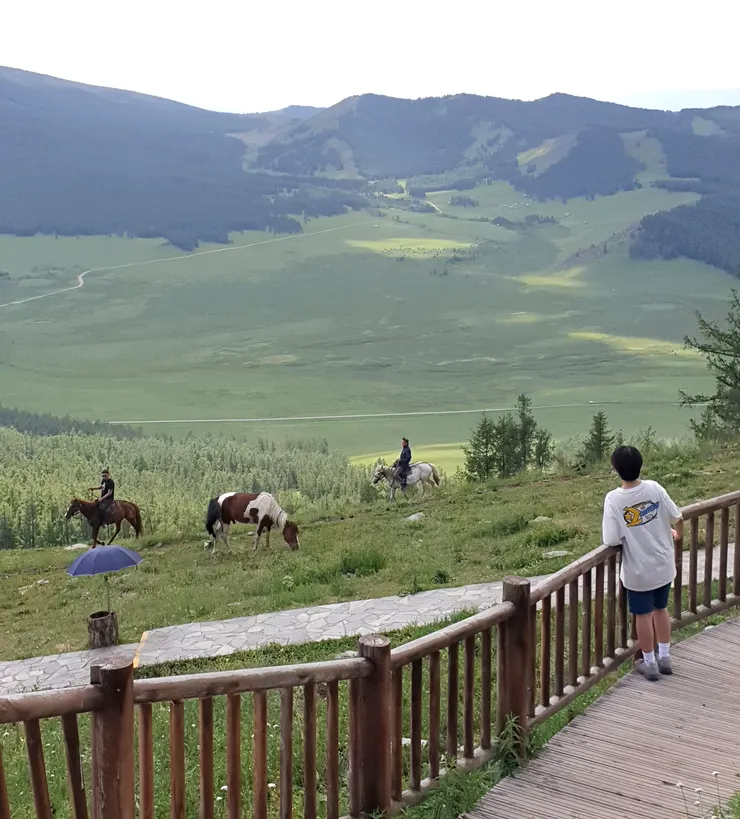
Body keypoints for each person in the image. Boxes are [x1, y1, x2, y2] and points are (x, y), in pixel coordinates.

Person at [602, 445, 683, 681]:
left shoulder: (614, 499)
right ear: (640, 465)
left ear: (616, 469)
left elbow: (612, 538)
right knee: (661, 609)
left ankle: (649, 663)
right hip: (663, 564)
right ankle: (665, 656)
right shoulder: (654, 487)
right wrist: (677, 535)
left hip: (638, 570)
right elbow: (678, 517)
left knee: (643, 615)